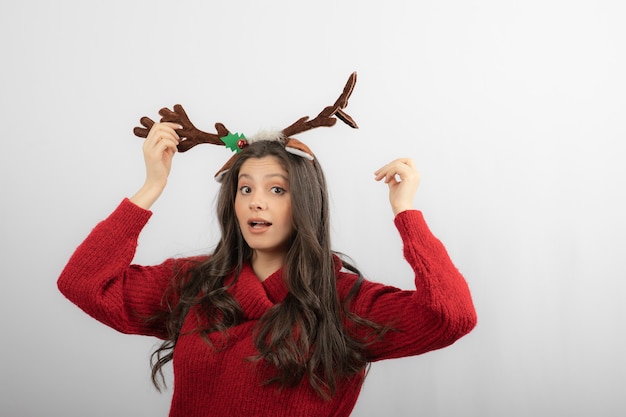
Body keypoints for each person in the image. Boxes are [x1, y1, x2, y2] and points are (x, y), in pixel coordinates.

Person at [58, 84, 477, 417]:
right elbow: (84, 284)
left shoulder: (343, 302)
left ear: (305, 203)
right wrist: (151, 187)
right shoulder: (194, 284)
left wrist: (406, 212)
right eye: (245, 189)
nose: (257, 202)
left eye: (277, 189)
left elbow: (452, 316)